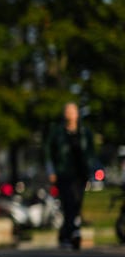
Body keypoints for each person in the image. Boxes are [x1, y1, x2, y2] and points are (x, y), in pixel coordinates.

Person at [44, 102, 96, 249]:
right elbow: (48, 151)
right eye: (67, 111)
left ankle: (66, 233)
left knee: (77, 202)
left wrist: (91, 169)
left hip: (81, 173)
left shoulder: (85, 132)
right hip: (63, 172)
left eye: (73, 111)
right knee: (68, 202)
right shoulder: (57, 132)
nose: (70, 114)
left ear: (77, 114)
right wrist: (51, 171)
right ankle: (74, 232)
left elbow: (91, 153)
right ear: (64, 114)